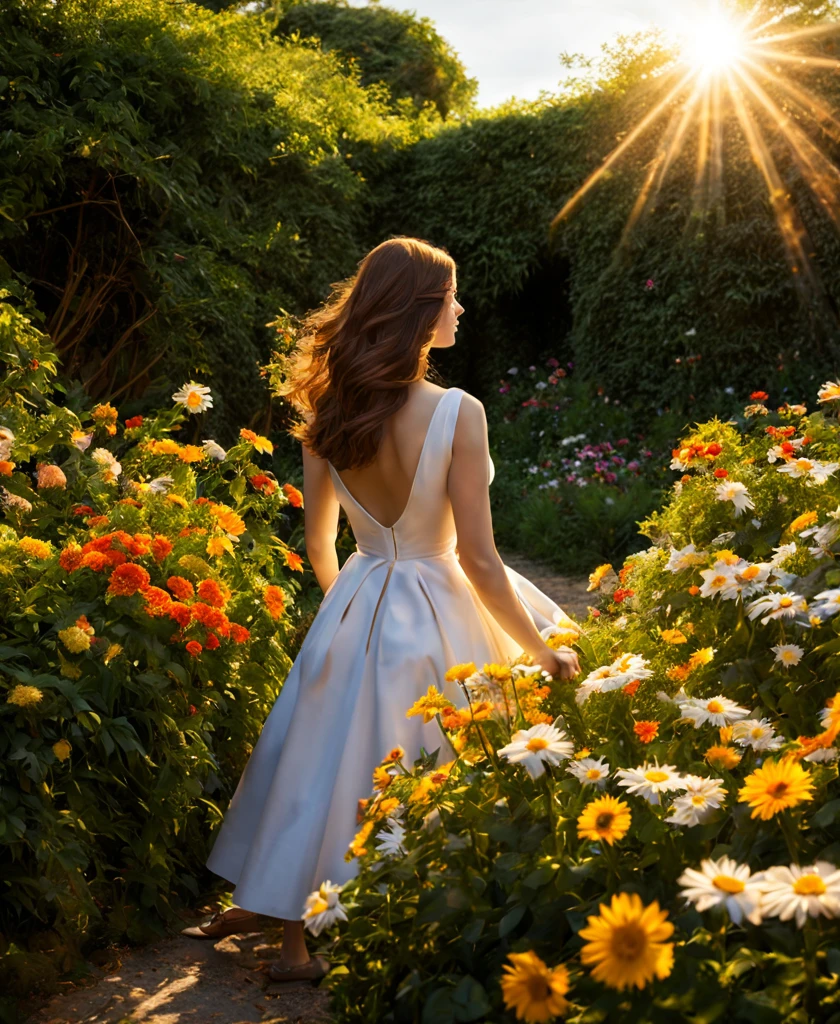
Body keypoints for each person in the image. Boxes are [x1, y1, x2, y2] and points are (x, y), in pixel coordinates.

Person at [182, 237, 581, 982]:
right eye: (450, 297)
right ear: (418, 311)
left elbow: (318, 543)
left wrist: (349, 613)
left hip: (360, 594)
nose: (460, 308)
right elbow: (480, 560)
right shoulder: (457, 412)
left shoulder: (327, 411)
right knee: (424, 757)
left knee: (323, 760)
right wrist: (541, 651)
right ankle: (425, 913)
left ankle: (290, 921)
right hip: (437, 602)